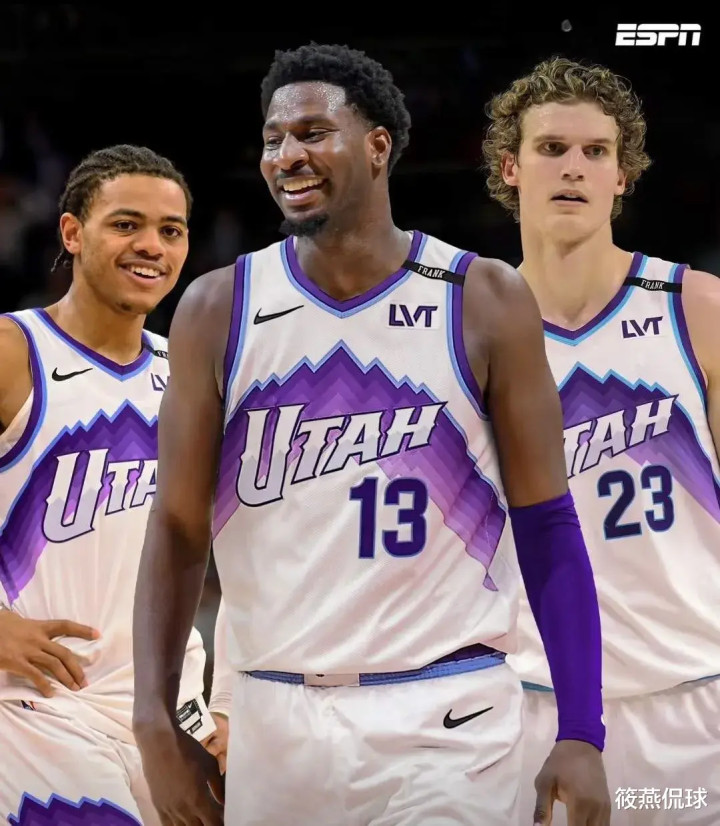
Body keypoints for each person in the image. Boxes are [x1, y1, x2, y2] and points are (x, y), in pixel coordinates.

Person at [132, 43, 610, 826]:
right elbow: (179, 526)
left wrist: (582, 728)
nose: (287, 155)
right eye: (273, 139)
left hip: (448, 715)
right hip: (275, 720)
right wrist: (154, 718)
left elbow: (548, 523)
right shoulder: (218, 308)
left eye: (313, 132)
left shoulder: (482, 298)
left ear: (378, 146)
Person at [482, 56, 720, 825]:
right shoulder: (471, 329)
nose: (574, 168)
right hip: (530, 706)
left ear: (623, 175)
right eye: (551, 149)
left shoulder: (697, 309)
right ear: (511, 167)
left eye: (596, 151)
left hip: (694, 702)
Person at [0, 144, 229, 825]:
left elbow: (251, 559)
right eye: (126, 224)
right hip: (36, 708)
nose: (151, 245)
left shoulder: (192, 375)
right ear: (73, 233)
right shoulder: (15, 352)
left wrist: (226, 704)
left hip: (168, 716)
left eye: (170, 230)